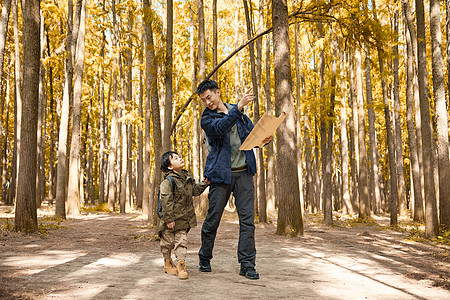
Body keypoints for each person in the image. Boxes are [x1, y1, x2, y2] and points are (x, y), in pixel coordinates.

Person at [196, 79, 271, 280]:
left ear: (218, 92)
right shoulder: (207, 119)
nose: (208, 102)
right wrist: (238, 107)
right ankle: (204, 257)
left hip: (244, 173)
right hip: (221, 176)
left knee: (247, 221)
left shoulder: (238, 113)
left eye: (209, 97)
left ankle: (247, 264)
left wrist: (263, 139)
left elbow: (250, 134)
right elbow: (220, 127)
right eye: (204, 100)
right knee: (213, 219)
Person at [158, 151, 209, 280]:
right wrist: (169, 219)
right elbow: (166, 201)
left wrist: (205, 183)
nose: (180, 159)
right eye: (175, 158)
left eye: (179, 156)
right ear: (170, 167)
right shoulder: (168, 182)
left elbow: (195, 191)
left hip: (183, 219)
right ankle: (168, 263)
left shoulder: (186, 178)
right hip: (171, 219)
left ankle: (181, 265)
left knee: (181, 242)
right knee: (167, 242)